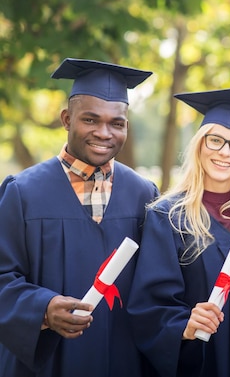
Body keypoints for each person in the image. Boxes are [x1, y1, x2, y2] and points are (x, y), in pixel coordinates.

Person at [0, 58, 159, 377]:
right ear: (66, 119)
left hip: (125, 360)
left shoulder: (144, 194)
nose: (104, 132)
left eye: (117, 123)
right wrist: (42, 308)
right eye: (90, 119)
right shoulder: (23, 193)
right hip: (49, 363)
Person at [127, 88, 230, 377]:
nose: (225, 152)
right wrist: (184, 325)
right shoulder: (168, 216)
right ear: (199, 145)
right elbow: (150, 305)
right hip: (204, 360)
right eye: (215, 140)